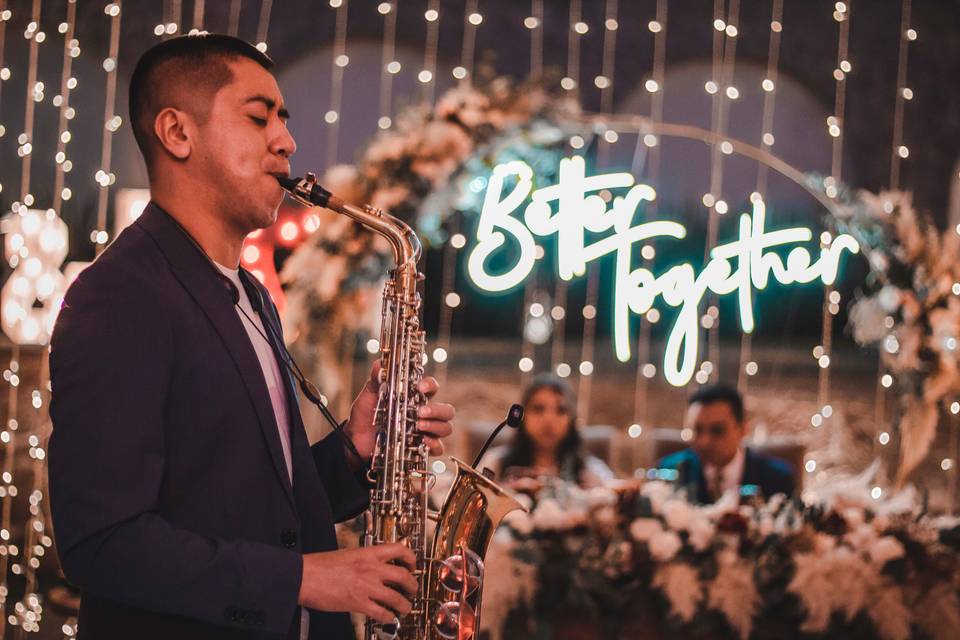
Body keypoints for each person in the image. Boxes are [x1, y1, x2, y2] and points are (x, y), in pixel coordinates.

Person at [47, 34, 454, 640]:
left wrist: (354, 450)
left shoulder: (250, 293)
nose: (287, 141)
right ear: (177, 134)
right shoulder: (120, 296)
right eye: (259, 117)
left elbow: (254, 500)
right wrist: (301, 581)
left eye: (283, 122)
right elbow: (102, 543)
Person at [657, 384, 794, 504]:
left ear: (742, 430)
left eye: (717, 430)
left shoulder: (777, 477)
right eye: (697, 430)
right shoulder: (670, 469)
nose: (705, 441)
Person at [479, 374, 614, 488]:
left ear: (572, 419)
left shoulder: (591, 470)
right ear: (523, 416)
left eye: (560, 410)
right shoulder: (495, 464)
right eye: (538, 409)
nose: (548, 420)